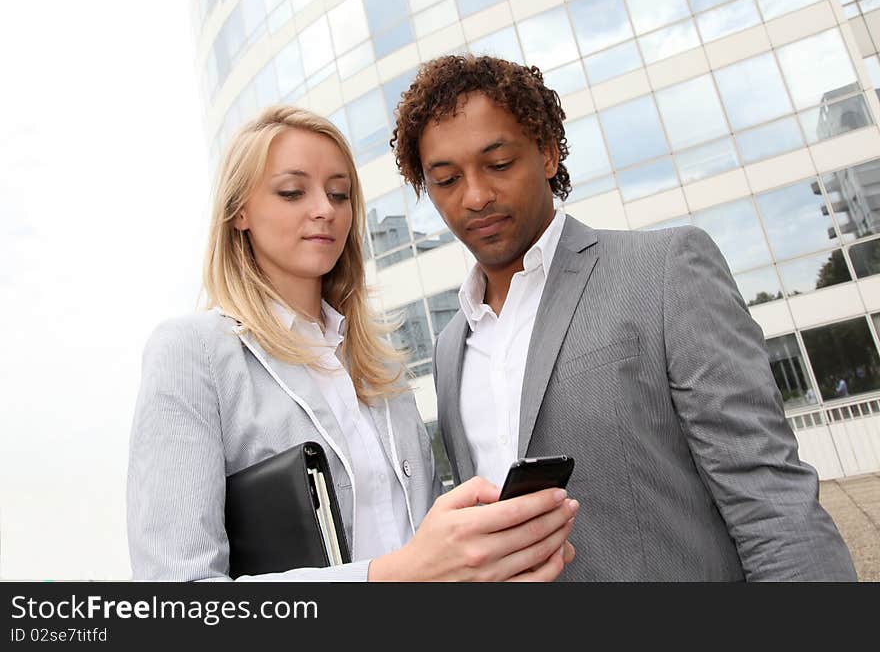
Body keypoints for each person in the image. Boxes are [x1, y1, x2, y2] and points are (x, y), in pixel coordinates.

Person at [390, 55, 857, 581]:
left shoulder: (664, 271)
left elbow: (772, 501)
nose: (475, 196)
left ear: (546, 152)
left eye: (498, 164)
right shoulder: (451, 348)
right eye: (447, 180)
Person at [127, 105, 578, 581]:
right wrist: (394, 575)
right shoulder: (192, 353)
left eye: (339, 193)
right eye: (292, 191)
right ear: (240, 211)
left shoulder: (380, 370)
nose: (324, 209)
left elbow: (429, 556)